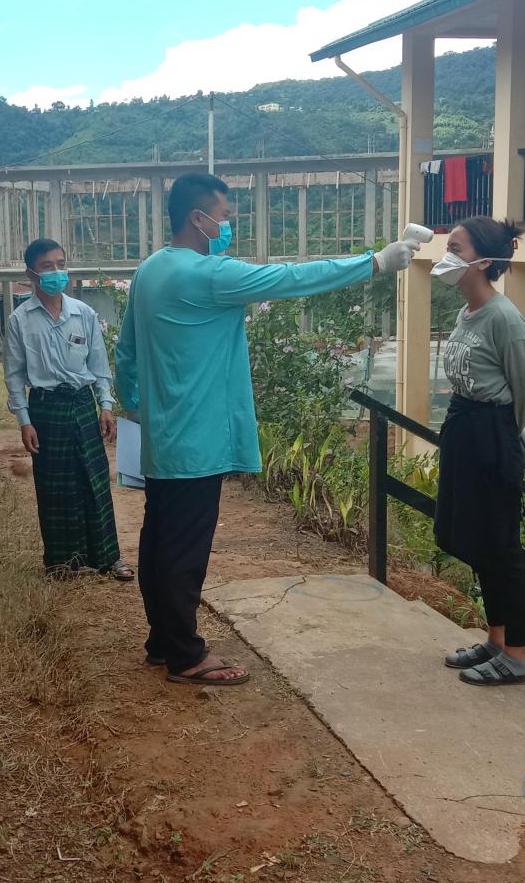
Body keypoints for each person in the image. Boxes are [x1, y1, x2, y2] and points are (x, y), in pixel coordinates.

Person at [114, 174, 420, 687]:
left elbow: (126, 350)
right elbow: (290, 279)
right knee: (185, 550)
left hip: (165, 435)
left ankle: (163, 640)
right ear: (198, 218)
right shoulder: (206, 274)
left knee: (160, 540)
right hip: (199, 439)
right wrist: (374, 263)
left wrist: (141, 406)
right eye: (224, 215)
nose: (228, 225)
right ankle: (185, 655)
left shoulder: (150, 269)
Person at [432, 217, 525, 687]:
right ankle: (496, 640)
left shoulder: (505, 318)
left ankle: (515, 656)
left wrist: (502, 436)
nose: (447, 255)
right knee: (473, 539)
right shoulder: (466, 313)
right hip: (464, 427)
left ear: (482, 261)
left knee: (500, 545)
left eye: (456, 248)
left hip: (492, 434)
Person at [4, 238, 134, 581]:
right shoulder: (20, 320)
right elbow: (14, 375)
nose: (57, 272)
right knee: (54, 485)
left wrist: (106, 405)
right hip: (46, 408)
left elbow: (99, 364)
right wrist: (24, 421)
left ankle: (108, 557)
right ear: (30, 273)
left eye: (61, 264)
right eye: (47, 266)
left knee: (95, 480)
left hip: (81, 403)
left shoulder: (83, 313)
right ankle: (63, 563)